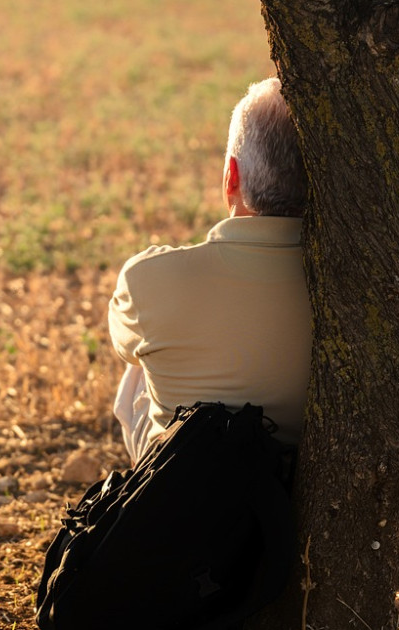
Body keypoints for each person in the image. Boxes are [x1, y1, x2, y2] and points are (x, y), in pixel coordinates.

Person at [109, 77, 312, 464]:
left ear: (230, 176)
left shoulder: (148, 279)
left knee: (140, 364)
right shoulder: (352, 288)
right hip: (294, 489)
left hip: (187, 493)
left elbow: (122, 344)